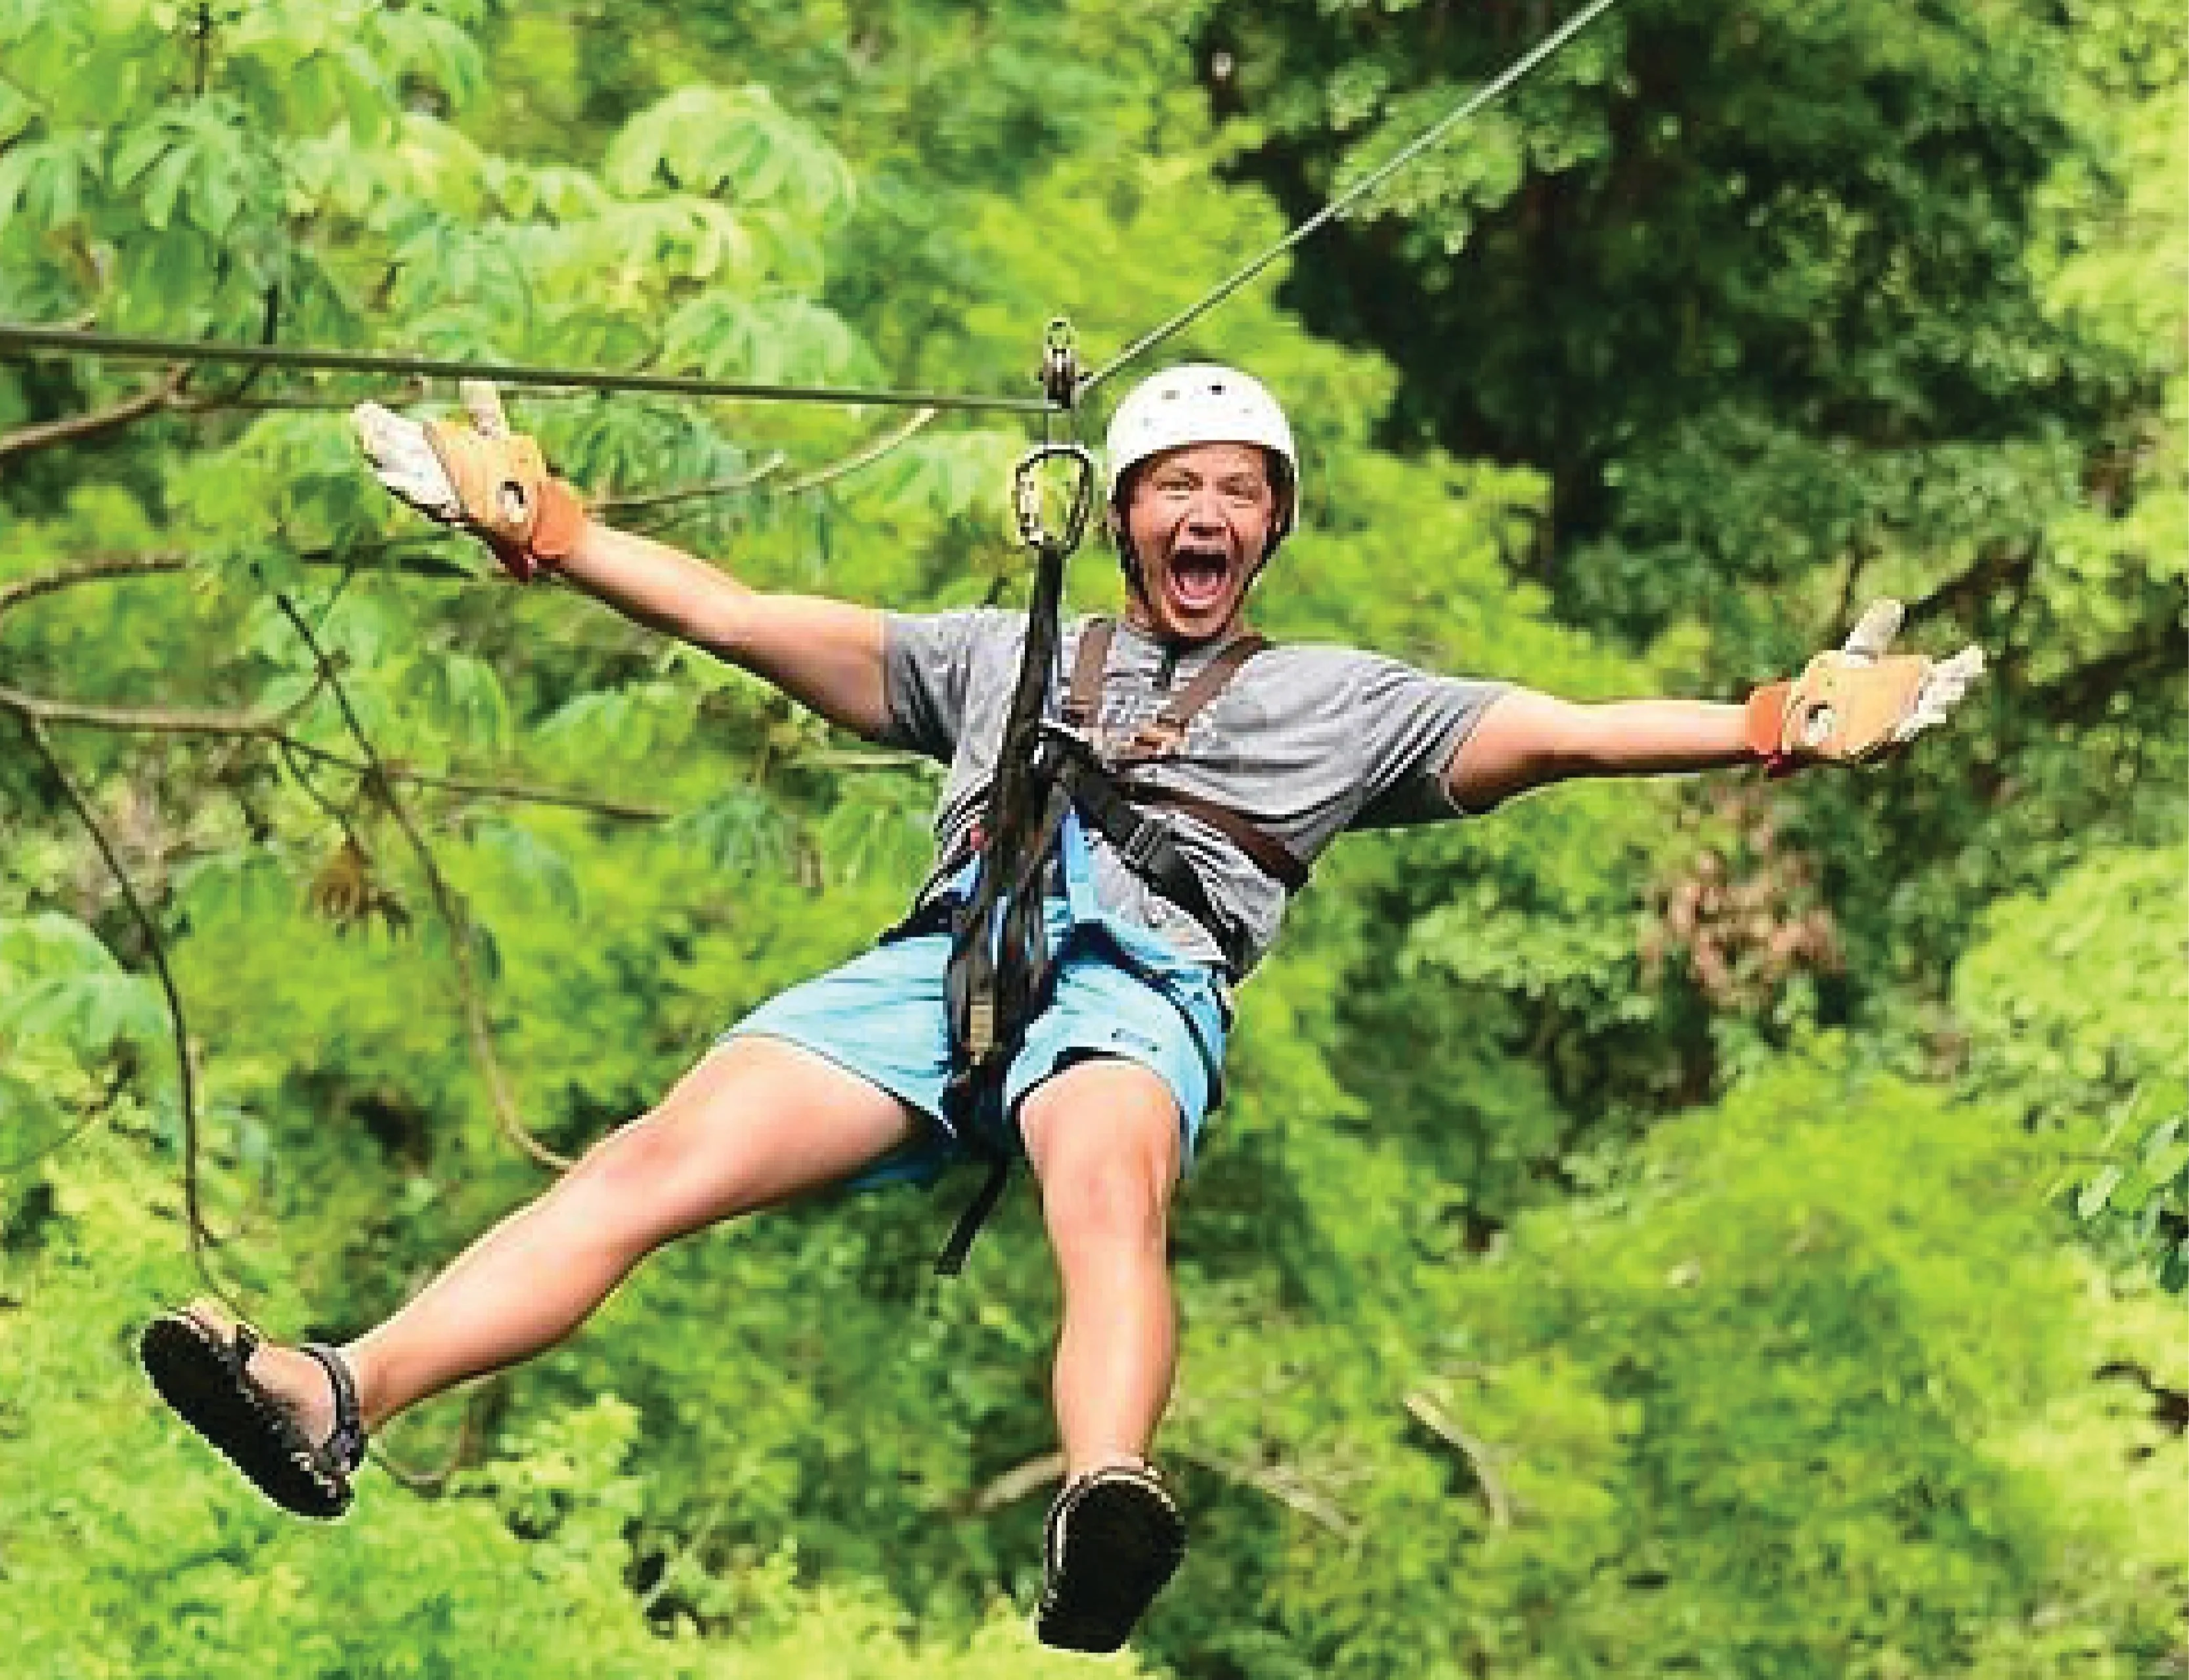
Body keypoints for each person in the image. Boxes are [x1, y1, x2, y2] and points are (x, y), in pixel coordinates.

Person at [141, 364, 1982, 1652]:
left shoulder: (1350, 701)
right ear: (1120, 521)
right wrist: (545, 524)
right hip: (938, 975)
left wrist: (1760, 722)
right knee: (644, 1165)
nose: (1203, 513)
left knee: (1107, 1193)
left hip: (1133, 984)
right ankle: (335, 1388)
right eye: (1176, 489)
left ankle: (1109, 1493)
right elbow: (735, 611)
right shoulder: (988, 654)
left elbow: (1569, 731)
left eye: (1235, 495)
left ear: (1267, 531)